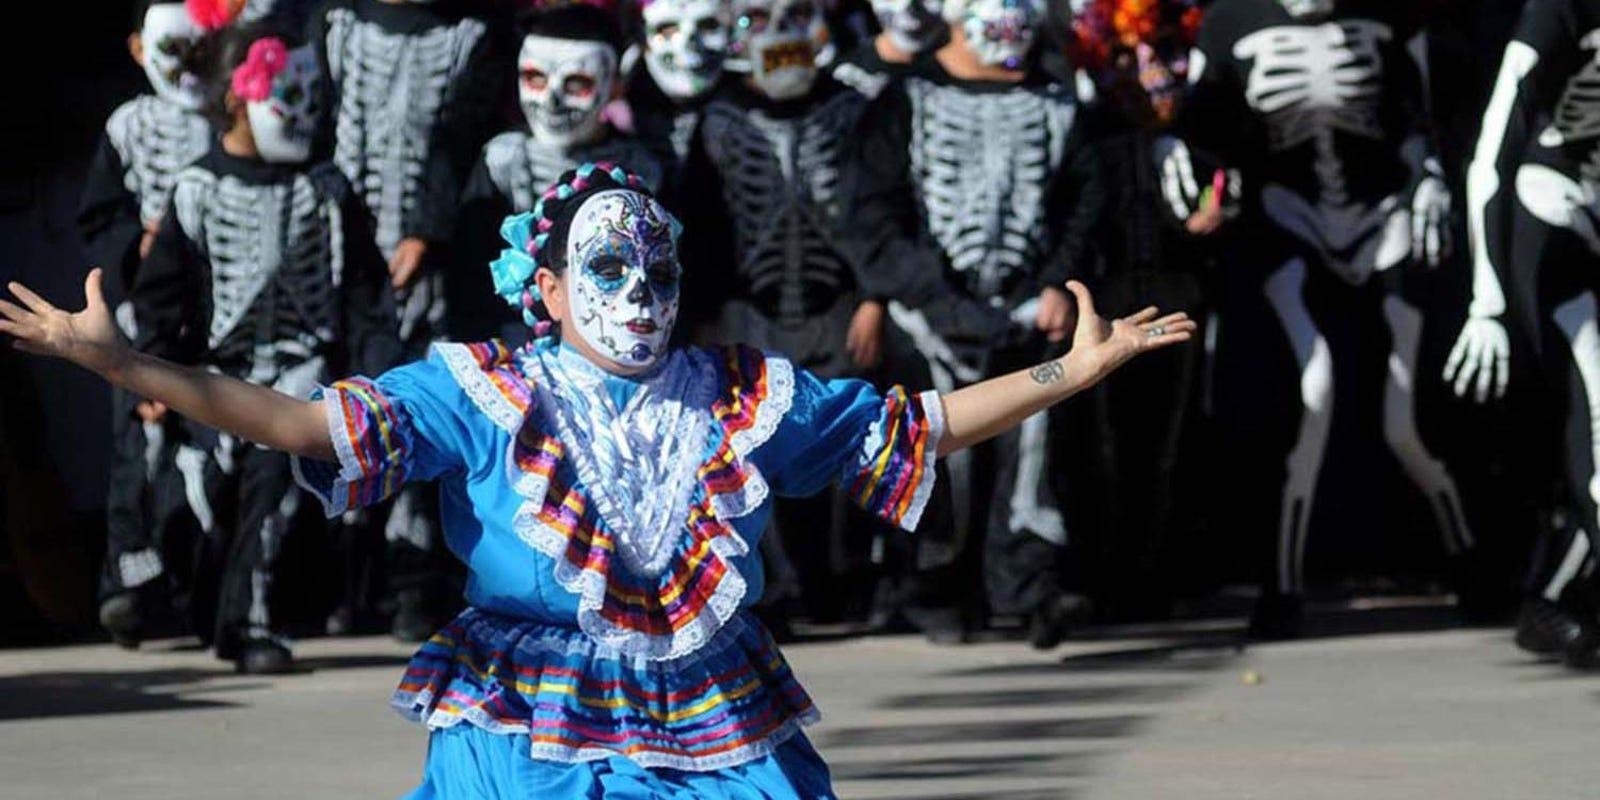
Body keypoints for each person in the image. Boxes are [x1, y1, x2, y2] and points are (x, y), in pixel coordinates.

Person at [1, 160, 1191, 795]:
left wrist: (1065, 376)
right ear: (551, 289)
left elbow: (916, 419)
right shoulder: (479, 389)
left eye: (656, 264)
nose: (639, 290)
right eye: (607, 266)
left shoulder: (740, 391)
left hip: (713, 706)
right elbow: (308, 426)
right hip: (525, 712)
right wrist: (126, 362)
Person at [1187, 0, 1467, 638]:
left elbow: (1420, 117)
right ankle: (1280, 584)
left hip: (1385, 217)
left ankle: (1469, 557)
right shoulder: (1230, 20)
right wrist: (1201, 182)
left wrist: (1428, 179)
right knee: (1313, 391)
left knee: (1404, 418)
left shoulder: (1390, 16)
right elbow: (1201, 129)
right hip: (1288, 216)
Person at [125, 23, 398, 673]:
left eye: (311, 92)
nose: (302, 109)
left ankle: (253, 623)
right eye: (284, 91)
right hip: (212, 377)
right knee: (196, 501)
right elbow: (163, 294)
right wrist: (149, 375)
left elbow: (365, 292)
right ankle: (209, 612)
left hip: (301, 374)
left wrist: (376, 373)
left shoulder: (329, 190)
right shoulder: (195, 189)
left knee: (275, 492)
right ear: (233, 97)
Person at [842, 0, 1105, 647]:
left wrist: (1058, 282)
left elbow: (1083, 202)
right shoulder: (905, 100)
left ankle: (1032, 587)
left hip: (1027, 310)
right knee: (940, 451)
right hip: (930, 317)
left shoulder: (1059, 104)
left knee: (1034, 453)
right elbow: (871, 213)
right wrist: (924, 294)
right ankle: (938, 590)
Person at [310, 0, 502, 641]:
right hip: (338, 262)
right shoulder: (337, 27)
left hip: (435, 271)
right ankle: (340, 585)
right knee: (335, 415)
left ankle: (413, 585)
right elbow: (311, 128)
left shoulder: (470, 34)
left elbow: (465, 142)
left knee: (416, 414)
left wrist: (426, 231)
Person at [1445, 0, 1600, 667]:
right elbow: (1491, 148)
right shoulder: (1562, 7)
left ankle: (1562, 598)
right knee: (1596, 416)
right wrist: (1488, 299)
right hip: (1553, 213)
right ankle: (1552, 602)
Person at [78, 0, 217, 648]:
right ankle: (128, 589)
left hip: (213, 317)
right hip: (138, 318)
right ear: (137, 48)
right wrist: (136, 244)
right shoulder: (127, 125)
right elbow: (98, 218)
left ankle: (194, 594)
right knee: (139, 449)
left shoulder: (231, 118)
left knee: (202, 457)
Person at [455, 4, 667, 343]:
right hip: (510, 341)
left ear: (614, 85)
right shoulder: (502, 159)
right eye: (535, 79)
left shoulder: (643, 169)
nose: (551, 101)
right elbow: (470, 268)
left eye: (576, 84)